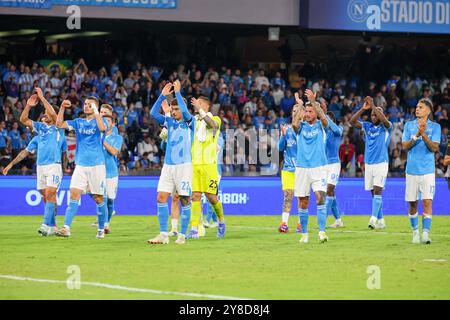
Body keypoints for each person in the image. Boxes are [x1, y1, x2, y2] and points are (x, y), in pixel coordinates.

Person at [55, 95, 108, 238]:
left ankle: (101, 228)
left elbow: (102, 129)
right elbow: (59, 124)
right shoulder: (78, 122)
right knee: (74, 193)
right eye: (85, 104)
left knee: (98, 198)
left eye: (89, 104)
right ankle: (66, 228)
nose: (85, 106)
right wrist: (61, 108)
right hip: (81, 165)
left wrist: (97, 111)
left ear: (95, 107)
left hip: (97, 165)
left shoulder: (101, 121)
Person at [148, 80, 193, 245]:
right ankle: (163, 234)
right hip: (168, 166)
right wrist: (162, 96)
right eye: (172, 109)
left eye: (176, 109)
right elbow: (153, 113)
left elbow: (187, 114)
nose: (173, 112)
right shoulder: (169, 122)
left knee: (184, 199)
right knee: (161, 197)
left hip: (184, 166)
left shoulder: (190, 122)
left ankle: (182, 235)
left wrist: (178, 93)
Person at [19, 89, 67, 236]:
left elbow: (52, 113)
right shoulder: (41, 128)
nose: (45, 114)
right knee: (47, 197)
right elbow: (23, 120)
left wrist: (41, 96)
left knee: (50, 193)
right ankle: (53, 225)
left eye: (47, 112)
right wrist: (28, 106)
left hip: (54, 165)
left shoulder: (59, 128)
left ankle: (46, 225)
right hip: (42, 166)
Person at [292, 89, 330, 244]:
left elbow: (323, 117)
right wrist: (300, 105)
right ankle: (305, 234)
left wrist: (314, 102)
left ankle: (322, 232)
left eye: (310, 111)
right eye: (306, 111)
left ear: (315, 113)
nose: (307, 114)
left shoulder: (322, 126)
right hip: (302, 168)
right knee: (303, 202)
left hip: (319, 168)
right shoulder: (301, 127)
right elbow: (294, 124)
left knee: (320, 197)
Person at [402, 99, 441, 244]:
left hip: (428, 171)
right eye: (417, 107)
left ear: (428, 111)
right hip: (411, 170)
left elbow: (435, 148)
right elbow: (404, 146)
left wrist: (423, 134)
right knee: (412, 204)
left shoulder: (436, 127)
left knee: (427, 202)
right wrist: (417, 134)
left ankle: (425, 234)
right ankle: (415, 233)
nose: (417, 109)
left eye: (421, 107)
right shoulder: (408, 125)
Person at [350, 96, 392, 230]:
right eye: (372, 115)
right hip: (368, 163)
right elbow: (352, 121)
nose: (373, 116)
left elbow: (384, 120)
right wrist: (363, 109)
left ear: (381, 115)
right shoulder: (367, 126)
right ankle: (381, 220)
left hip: (381, 163)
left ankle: (373, 219)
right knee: (373, 193)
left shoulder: (387, 126)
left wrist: (374, 105)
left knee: (378, 190)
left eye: (376, 115)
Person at [187, 96, 226, 239]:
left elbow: (212, 126)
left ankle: (221, 221)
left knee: (211, 197)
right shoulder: (194, 122)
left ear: (207, 106)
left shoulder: (216, 119)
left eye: (201, 103)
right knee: (195, 196)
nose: (197, 104)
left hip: (209, 166)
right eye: (196, 103)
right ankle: (194, 229)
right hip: (195, 164)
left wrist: (200, 111)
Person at [277, 99, 300, 233]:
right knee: (288, 195)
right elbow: (280, 148)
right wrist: (283, 136)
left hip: (302, 169)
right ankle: (284, 223)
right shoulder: (287, 129)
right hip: (288, 169)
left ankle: (299, 223)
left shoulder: (304, 130)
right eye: (293, 111)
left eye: (297, 111)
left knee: (301, 197)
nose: (295, 113)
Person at [100, 104, 123, 234]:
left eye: (108, 120)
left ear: (113, 124)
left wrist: (102, 140)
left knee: (109, 199)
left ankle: (107, 222)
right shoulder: (96, 134)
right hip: (98, 171)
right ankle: (103, 224)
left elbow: (114, 152)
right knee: (101, 198)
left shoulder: (116, 137)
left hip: (111, 172)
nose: (105, 122)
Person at [325, 110, 344, 228]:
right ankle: (338, 220)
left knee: (329, 189)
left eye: (330, 119)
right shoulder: (323, 132)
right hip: (324, 165)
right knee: (330, 192)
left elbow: (336, 129)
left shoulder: (338, 130)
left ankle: (323, 218)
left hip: (334, 164)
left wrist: (325, 116)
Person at [203, 131, 224, 229]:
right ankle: (216, 221)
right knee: (211, 196)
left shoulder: (219, 138)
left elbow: (214, 150)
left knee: (211, 195)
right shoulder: (209, 137)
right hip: (207, 170)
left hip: (216, 171)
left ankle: (207, 220)